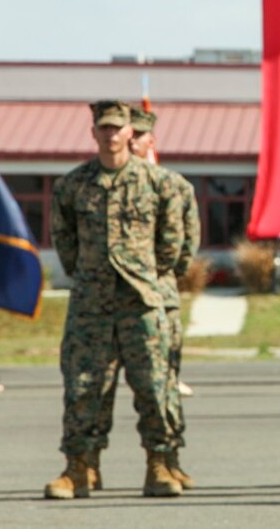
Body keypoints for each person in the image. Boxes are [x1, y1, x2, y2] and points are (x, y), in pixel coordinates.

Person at [45, 100, 184, 499]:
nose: (110, 135)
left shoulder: (158, 183)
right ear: (94, 133)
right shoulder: (73, 185)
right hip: (91, 304)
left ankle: (158, 465)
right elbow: (64, 242)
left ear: (130, 133)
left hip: (140, 302)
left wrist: (146, 276)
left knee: (153, 388)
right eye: (103, 128)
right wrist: (90, 276)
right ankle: (78, 468)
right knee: (84, 388)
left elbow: (171, 243)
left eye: (117, 128)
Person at [86, 107, 201, 491]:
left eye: (138, 136)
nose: (131, 142)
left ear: (150, 139)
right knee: (94, 384)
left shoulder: (171, 185)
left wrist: (154, 275)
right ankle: (86, 461)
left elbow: (182, 247)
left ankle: (167, 457)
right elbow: (72, 249)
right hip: (105, 297)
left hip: (156, 296)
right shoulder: (88, 184)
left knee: (160, 384)